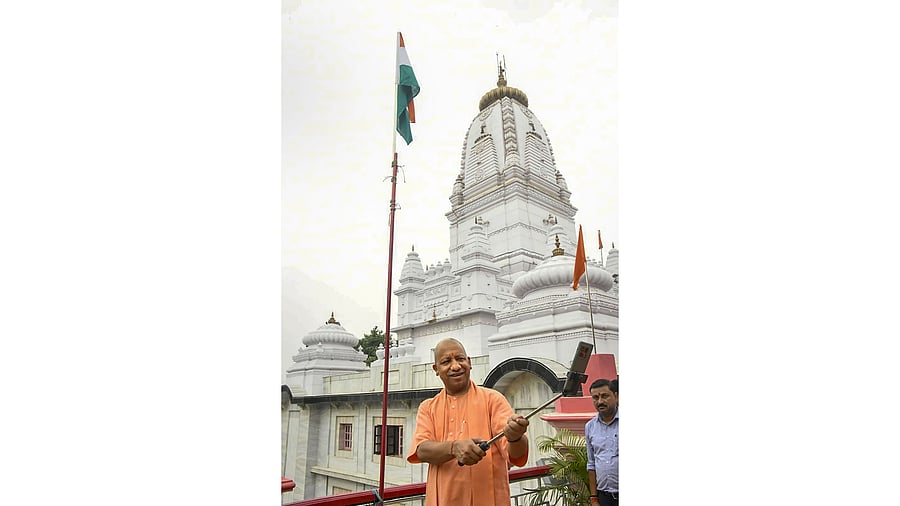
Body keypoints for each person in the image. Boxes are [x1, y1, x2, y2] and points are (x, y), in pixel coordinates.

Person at [406, 338, 529, 505]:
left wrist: (515, 437)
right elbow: (421, 450)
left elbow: (515, 454)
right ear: (436, 369)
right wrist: (454, 447)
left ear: (469, 363)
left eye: (460, 359)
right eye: (446, 361)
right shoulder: (428, 407)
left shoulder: (493, 400)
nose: (456, 366)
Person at [586, 378, 618, 506]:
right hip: (604, 497)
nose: (600, 401)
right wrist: (594, 498)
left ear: (615, 396)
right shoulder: (590, 426)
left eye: (605, 396)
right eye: (595, 397)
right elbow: (591, 463)